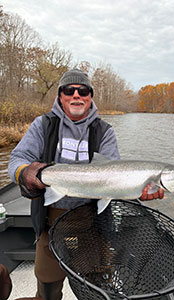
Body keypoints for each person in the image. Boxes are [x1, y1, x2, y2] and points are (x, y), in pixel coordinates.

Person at [8, 69, 164, 300]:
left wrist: (137, 191)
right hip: (50, 222)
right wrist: (24, 172)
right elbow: (16, 159)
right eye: (69, 91)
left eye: (83, 91)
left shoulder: (105, 132)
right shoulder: (43, 125)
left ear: (90, 96)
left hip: (92, 224)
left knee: (96, 287)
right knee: (47, 288)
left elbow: (114, 178)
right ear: (60, 95)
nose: (76, 96)